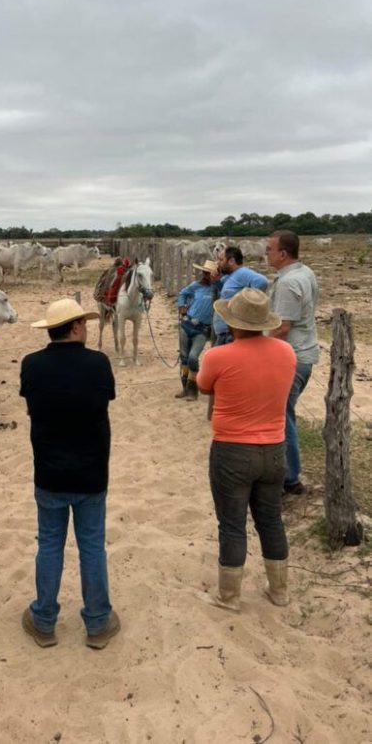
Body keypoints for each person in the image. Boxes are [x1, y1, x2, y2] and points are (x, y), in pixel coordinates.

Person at [20, 298, 119, 649]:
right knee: (92, 546)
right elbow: (105, 397)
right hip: (92, 472)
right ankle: (97, 622)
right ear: (76, 328)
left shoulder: (31, 365)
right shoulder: (98, 363)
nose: (87, 329)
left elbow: (33, 404)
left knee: (49, 545)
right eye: (85, 324)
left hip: (49, 471)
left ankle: (44, 620)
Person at [197, 288, 296, 612]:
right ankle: (279, 590)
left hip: (232, 449)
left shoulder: (218, 356)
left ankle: (229, 596)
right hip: (274, 449)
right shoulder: (287, 353)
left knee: (232, 523)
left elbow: (203, 385)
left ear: (233, 322)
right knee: (270, 520)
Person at [266, 230, 319, 495]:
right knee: (285, 414)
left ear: (283, 253)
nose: (266, 253)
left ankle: (290, 479)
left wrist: (256, 345)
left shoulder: (288, 283)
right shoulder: (305, 272)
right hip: (304, 353)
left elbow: (282, 327)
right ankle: (288, 473)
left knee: (282, 417)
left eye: (269, 249)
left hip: (290, 358)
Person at [175, 259, 218, 401]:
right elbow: (182, 293)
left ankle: (193, 389)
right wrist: (182, 306)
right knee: (184, 357)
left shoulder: (217, 288)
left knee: (193, 357)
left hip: (202, 329)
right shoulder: (195, 286)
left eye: (209, 273)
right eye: (205, 273)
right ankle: (185, 389)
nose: (206, 276)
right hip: (187, 324)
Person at [213, 246, 268, 346]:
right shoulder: (230, 275)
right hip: (225, 332)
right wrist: (217, 281)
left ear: (231, 261)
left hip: (231, 333)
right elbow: (227, 294)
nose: (218, 263)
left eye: (221, 260)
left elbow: (262, 281)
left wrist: (249, 300)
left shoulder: (243, 273)